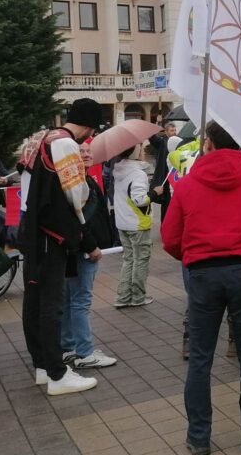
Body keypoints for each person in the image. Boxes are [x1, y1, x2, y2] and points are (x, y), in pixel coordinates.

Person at [161, 121, 241, 455]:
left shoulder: (187, 185)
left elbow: (170, 238)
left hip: (203, 274)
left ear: (210, 144)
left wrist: (192, 255)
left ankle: (199, 436)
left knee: (200, 357)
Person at [18, 97, 102, 396]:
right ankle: (57, 374)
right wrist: (84, 233)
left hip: (31, 228)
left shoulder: (41, 137)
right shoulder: (65, 144)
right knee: (50, 305)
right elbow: (75, 194)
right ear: (89, 126)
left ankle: (42, 366)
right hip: (50, 232)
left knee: (35, 300)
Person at [62, 139, 117, 369]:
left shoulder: (81, 179)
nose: (85, 154)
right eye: (80, 151)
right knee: (80, 301)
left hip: (76, 249)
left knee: (69, 299)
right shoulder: (77, 182)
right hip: (83, 250)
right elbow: (79, 221)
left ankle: (68, 346)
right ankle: (84, 352)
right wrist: (92, 246)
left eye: (88, 151)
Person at [112, 144, 153, 308]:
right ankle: (138, 297)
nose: (143, 152)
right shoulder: (138, 174)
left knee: (128, 259)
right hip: (138, 223)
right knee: (140, 260)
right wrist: (153, 194)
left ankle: (123, 297)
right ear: (135, 153)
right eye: (141, 149)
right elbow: (139, 199)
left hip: (122, 222)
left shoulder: (119, 170)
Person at [149, 121, 177, 222]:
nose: (174, 132)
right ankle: (164, 227)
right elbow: (152, 137)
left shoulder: (178, 143)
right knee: (166, 204)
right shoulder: (162, 142)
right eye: (171, 130)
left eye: (175, 130)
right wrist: (157, 124)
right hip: (164, 178)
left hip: (174, 177)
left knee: (174, 205)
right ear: (166, 132)